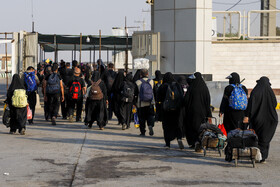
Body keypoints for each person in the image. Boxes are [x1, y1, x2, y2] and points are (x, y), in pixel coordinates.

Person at [244, 77, 278, 163]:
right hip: (271, 120)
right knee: (265, 139)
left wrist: (247, 116)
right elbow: (275, 104)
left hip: (257, 119)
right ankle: (263, 157)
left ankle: (256, 156)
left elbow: (251, 105)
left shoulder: (255, 91)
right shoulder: (270, 92)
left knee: (257, 138)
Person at [184, 72, 212, 149]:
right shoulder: (204, 88)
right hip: (203, 113)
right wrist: (208, 113)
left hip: (192, 112)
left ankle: (193, 143)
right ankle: (201, 142)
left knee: (192, 127)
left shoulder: (191, 87)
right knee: (202, 128)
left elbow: (186, 100)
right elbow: (208, 101)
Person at [157, 72, 184, 149]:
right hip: (176, 110)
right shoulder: (177, 85)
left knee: (166, 127)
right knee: (177, 124)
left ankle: (168, 144)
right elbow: (181, 96)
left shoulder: (163, 86)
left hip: (166, 110)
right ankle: (179, 138)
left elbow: (158, 98)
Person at [135, 69, 155, 136]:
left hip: (140, 103)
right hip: (150, 103)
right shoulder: (152, 81)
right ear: (147, 74)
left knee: (141, 118)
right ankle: (150, 125)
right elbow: (154, 92)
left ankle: (143, 132)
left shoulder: (137, 82)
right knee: (150, 116)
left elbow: (135, 93)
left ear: (140, 74)